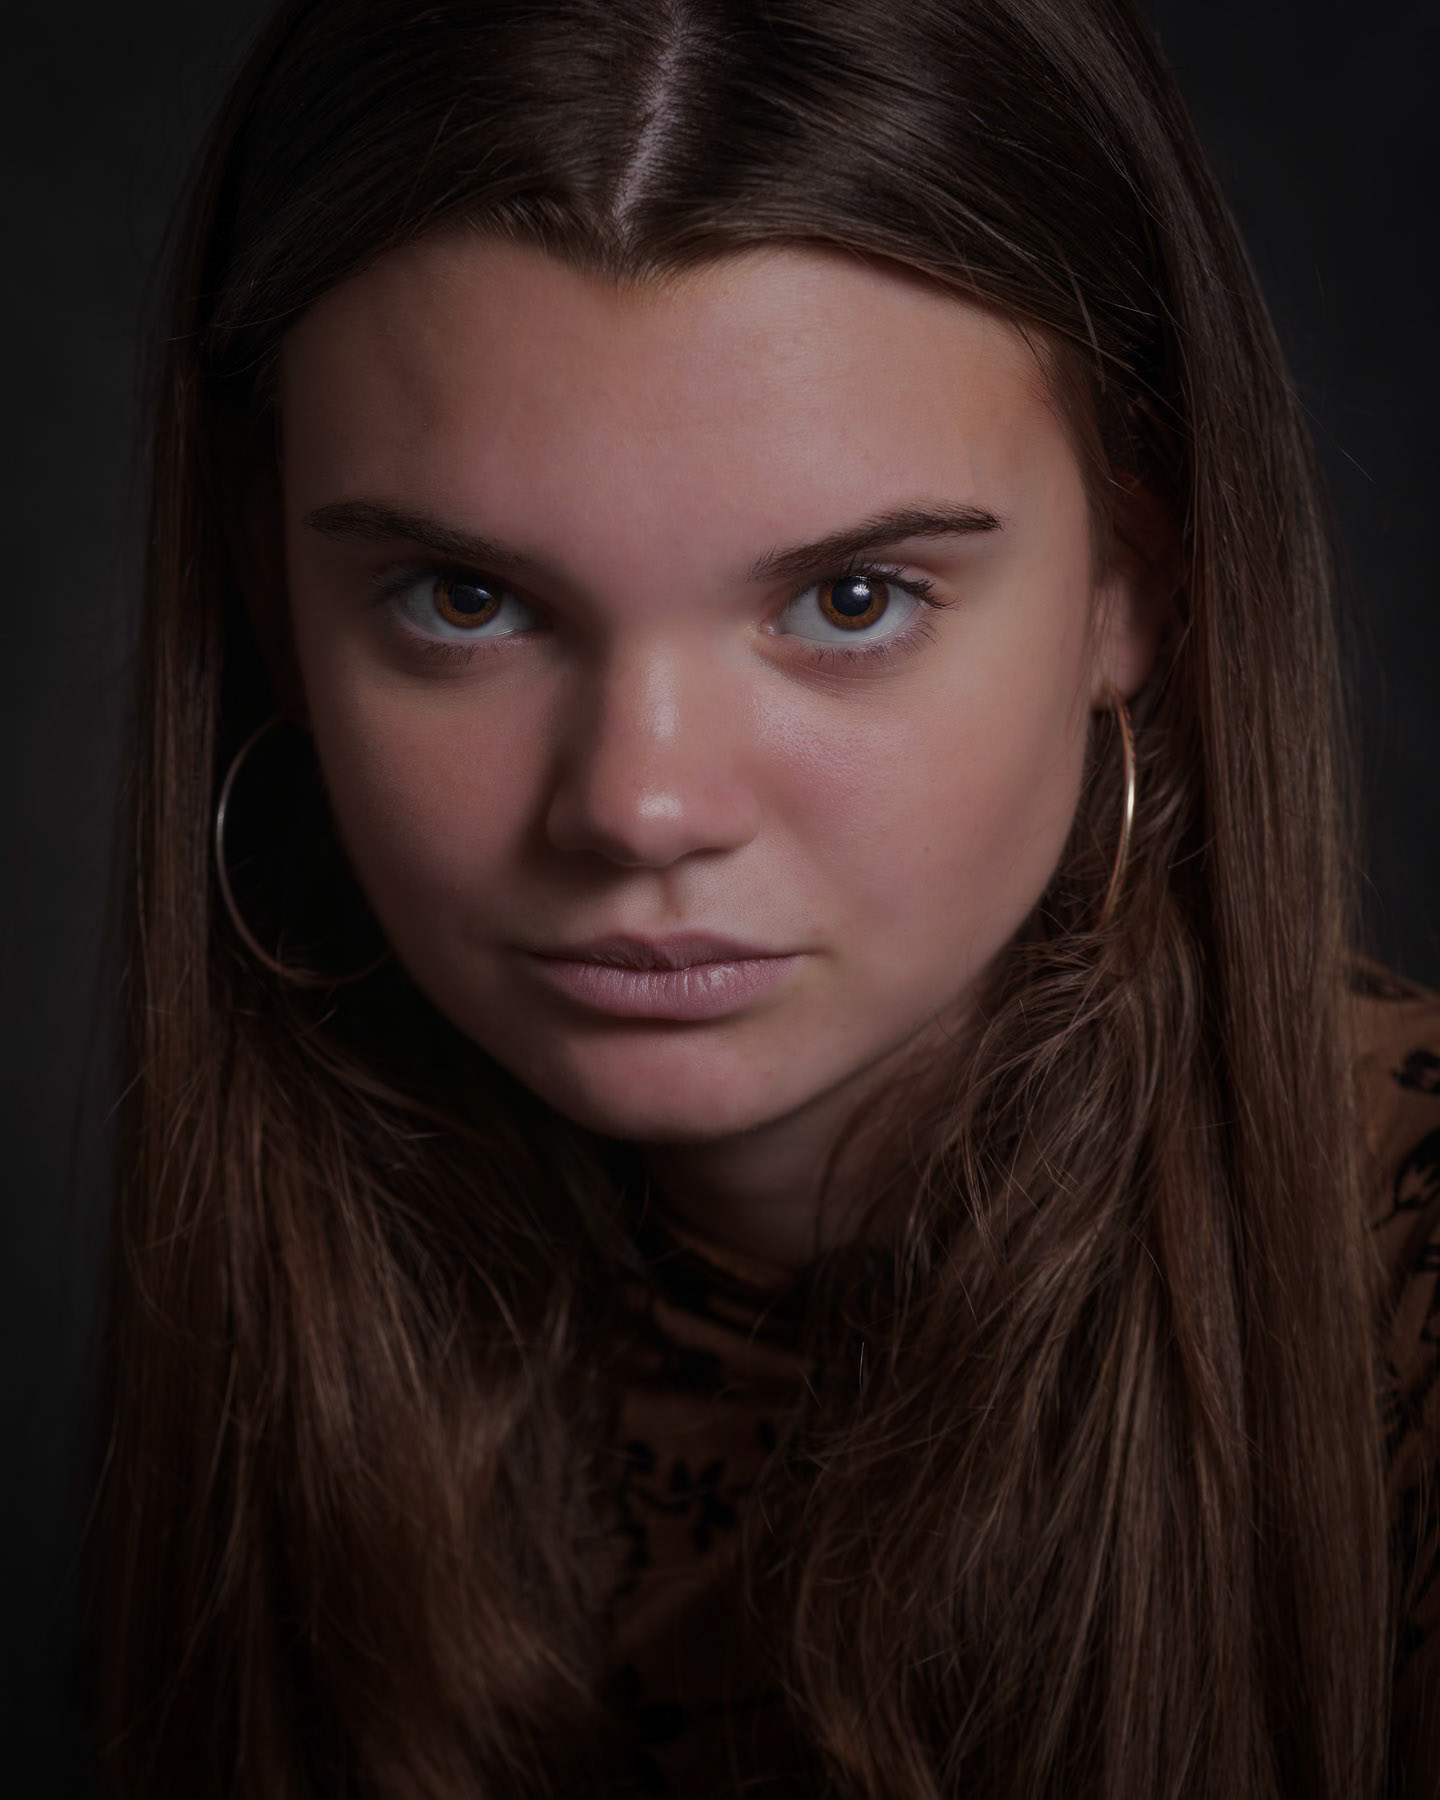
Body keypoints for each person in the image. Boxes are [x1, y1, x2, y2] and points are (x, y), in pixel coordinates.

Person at [95, 0, 1440, 1794]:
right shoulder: (291, 1310)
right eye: (463, 601)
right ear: (277, 599)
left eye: (851, 600)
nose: (640, 806)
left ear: (1134, 588)